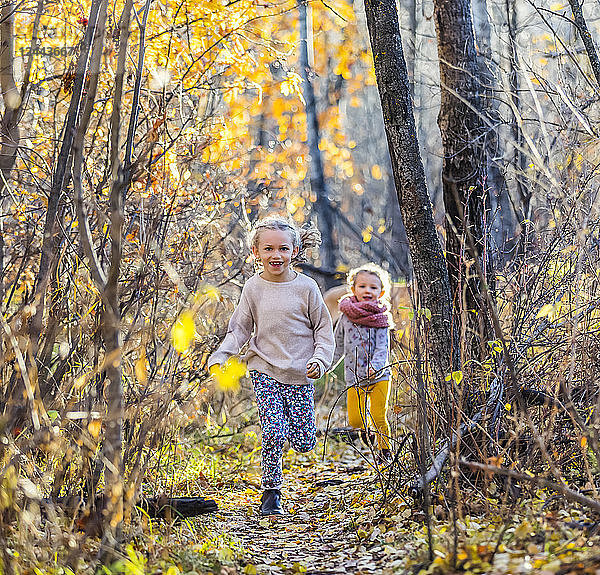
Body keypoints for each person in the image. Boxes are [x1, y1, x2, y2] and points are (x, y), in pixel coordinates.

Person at [208, 215, 334, 516]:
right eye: (268, 249)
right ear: (256, 252)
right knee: (273, 433)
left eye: (283, 249)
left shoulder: (307, 287)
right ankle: (271, 493)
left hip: (301, 372)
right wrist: (221, 355)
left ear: (294, 250)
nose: (275, 256)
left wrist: (319, 359)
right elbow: (239, 328)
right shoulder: (253, 288)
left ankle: (296, 439)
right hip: (263, 369)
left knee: (304, 443)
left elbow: (323, 331)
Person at [332, 263, 393, 465]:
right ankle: (365, 431)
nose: (368, 291)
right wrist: (325, 365)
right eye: (362, 286)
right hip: (354, 377)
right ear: (353, 289)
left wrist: (376, 367)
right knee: (355, 420)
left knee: (378, 416)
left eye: (373, 288)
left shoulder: (382, 318)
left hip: (379, 376)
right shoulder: (345, 316)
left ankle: (385, 452)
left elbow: (383, 348)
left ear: (381, 292)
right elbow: (338, 345)